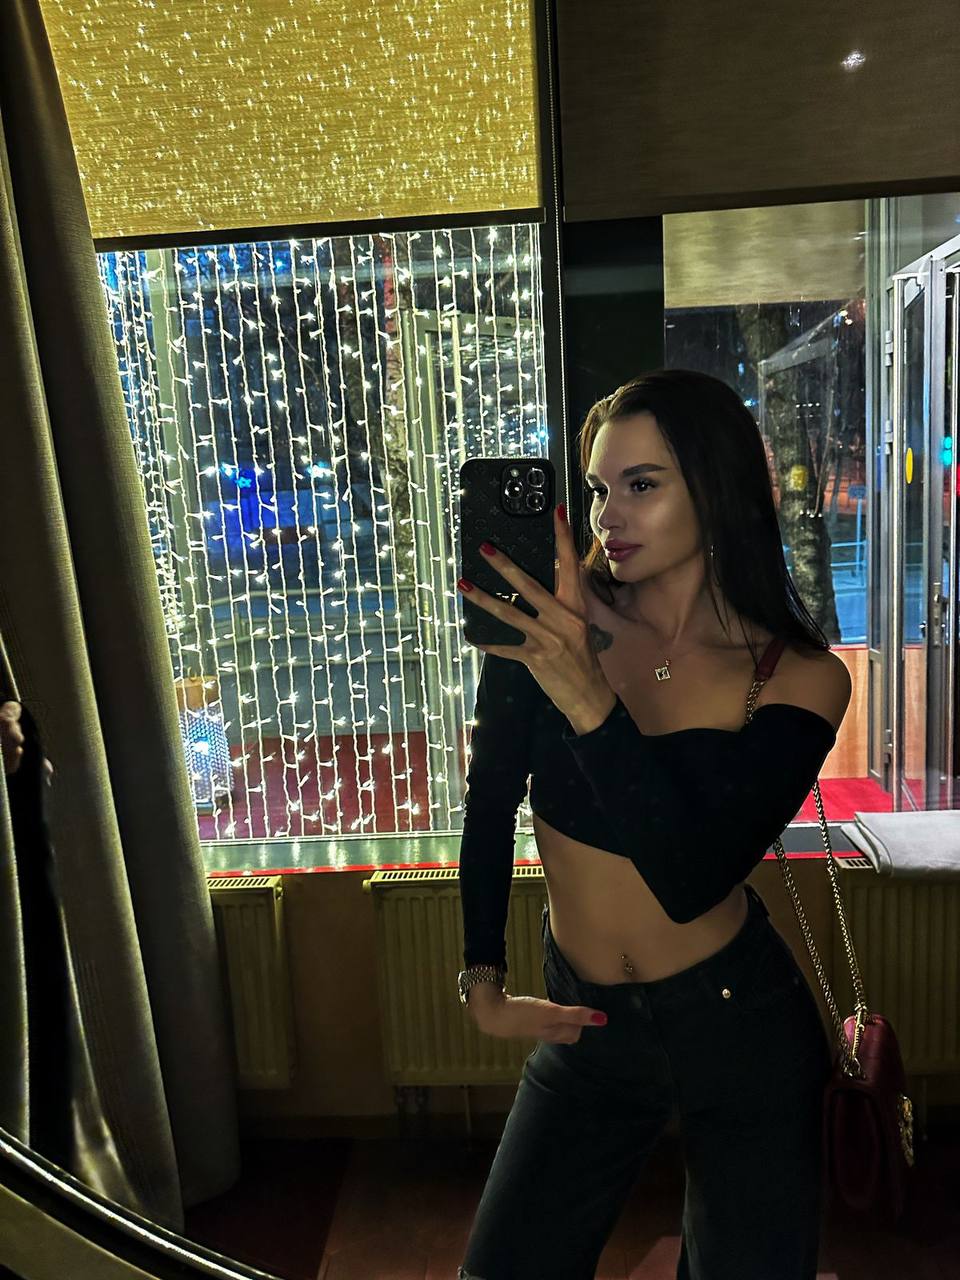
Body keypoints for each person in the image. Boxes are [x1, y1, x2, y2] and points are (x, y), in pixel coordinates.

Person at [454, 369, 852, 1280]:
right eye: (600, 489)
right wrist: (481, 973)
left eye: (642, 484)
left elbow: (692, 876)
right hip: (588, 1027)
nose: (610, 517)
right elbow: (490, 794)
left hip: (740, 1027)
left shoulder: (798, 676)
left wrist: (591, 700)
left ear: (715, 488)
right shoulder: (553, 628)